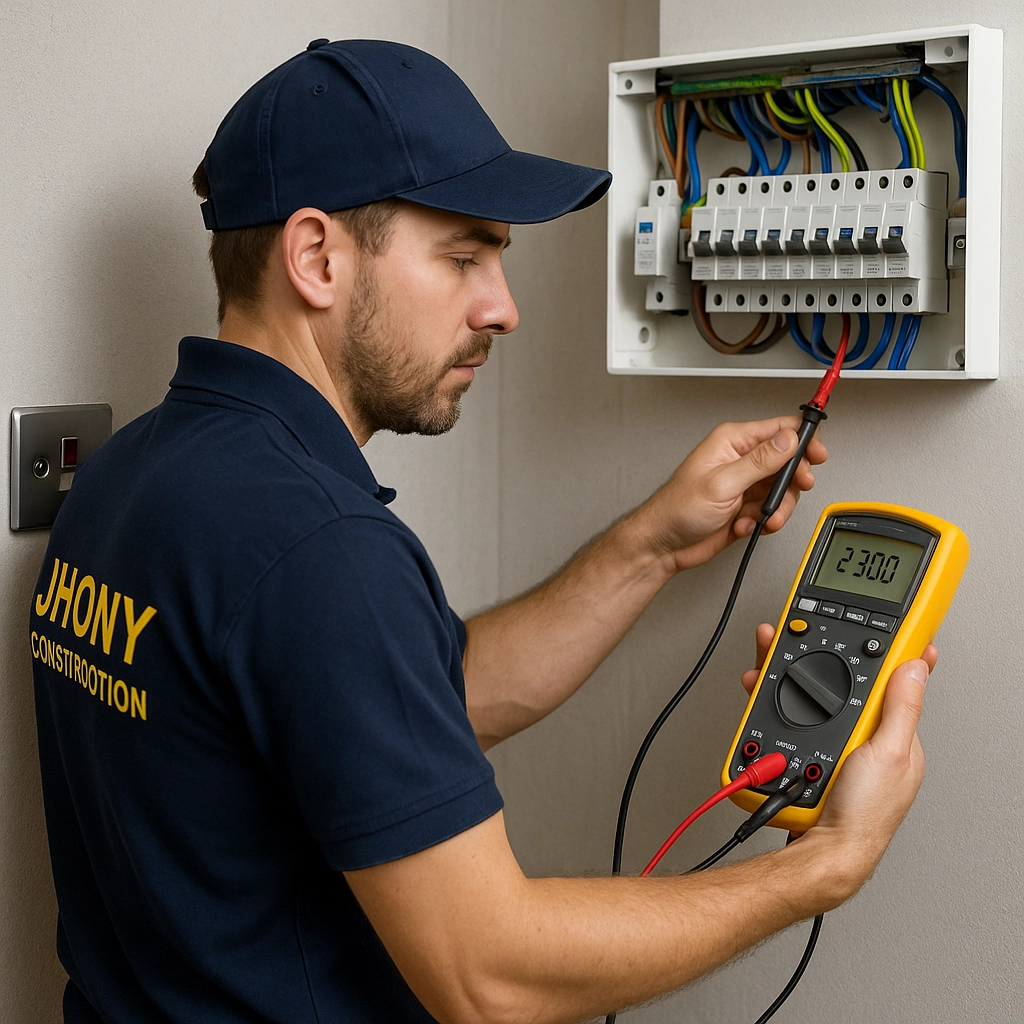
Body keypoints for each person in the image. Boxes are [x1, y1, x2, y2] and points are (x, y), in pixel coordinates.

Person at [29, 39, 934, 1024]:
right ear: (316, 256)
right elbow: (491, 974)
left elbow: (389, 709)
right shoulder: (316, 549)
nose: (502, 309)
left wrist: (653, 545)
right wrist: (827, 865)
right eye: (463, 257)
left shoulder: (131, 474)